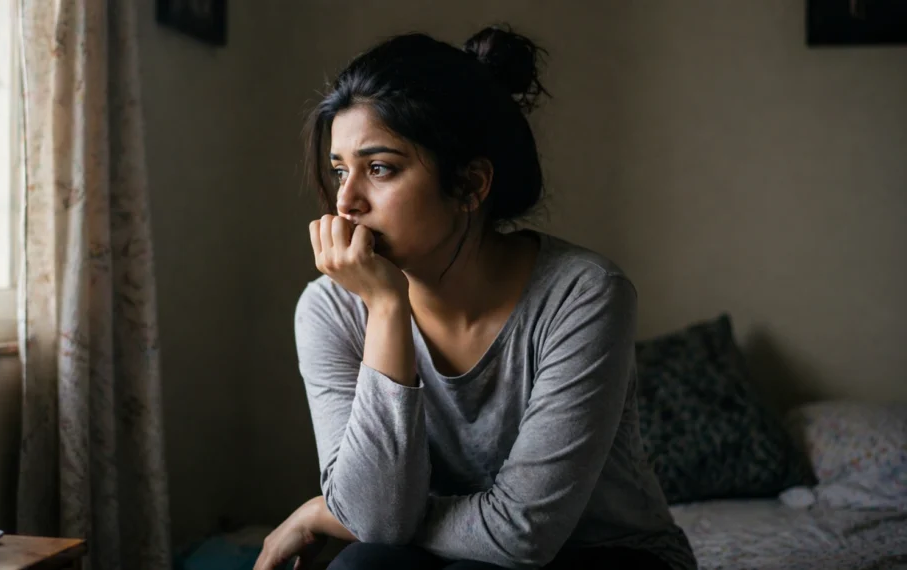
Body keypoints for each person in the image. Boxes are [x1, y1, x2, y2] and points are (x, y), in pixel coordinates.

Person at [253, 26, 696, 570]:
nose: (346, 202)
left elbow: (523, 535)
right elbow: (376, 525)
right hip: (454, 553)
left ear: (470, 185)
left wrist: (325, 512)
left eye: (380, 168)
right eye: (340, 170)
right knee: (361, 566)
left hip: (609, 553)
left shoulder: (584, 294)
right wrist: (388, 309)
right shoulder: (331, 308)